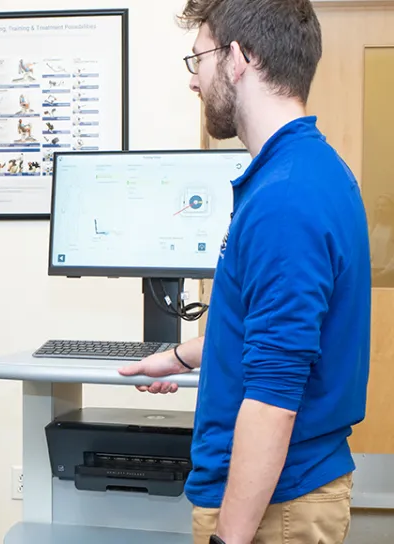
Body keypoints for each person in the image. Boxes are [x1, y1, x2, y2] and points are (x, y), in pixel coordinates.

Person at [118, 1, 371, 543]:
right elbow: (274, 334)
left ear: (239, 58)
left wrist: (226, 539)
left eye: (199, 59)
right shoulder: (306, 172)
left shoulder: (285, 199)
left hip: (275, 506)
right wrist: (184, 355)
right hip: (280, 497)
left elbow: (274, 398)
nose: (195, 82)